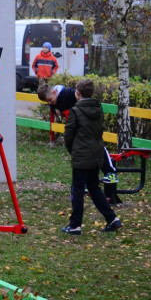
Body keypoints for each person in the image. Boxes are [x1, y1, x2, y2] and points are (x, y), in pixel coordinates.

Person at [61, 79, 122, 235]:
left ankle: (75, 225)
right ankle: (112, 219)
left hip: (81, 155)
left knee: (78, 190)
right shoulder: (98, 108)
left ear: (77, 93)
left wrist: (73, 150)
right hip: (96, 154)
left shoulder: (75, 111)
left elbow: (68, 136)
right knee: (94, 188)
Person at [38, 83, 118, 183]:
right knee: (83, 154)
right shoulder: (55, 102)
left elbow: (77, 93)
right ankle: (87, 182)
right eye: (47, 102)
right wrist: (55, 109)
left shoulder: (67, 93)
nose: (50, 103)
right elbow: (54, 107)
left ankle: (110, 172)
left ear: (54, 92)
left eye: (50, 100)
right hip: (78, 129)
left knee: (97, 147)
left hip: (87, 125)